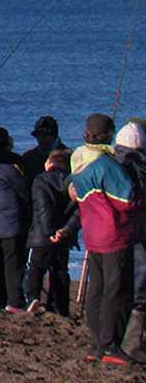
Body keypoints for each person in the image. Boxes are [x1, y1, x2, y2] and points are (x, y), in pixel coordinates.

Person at [70, 113, 140, 366]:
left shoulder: (78, 157)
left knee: (97, 290)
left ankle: (97, 344)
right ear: (108, 135)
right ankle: (110, 345)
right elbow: (128, 200)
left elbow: (72, 189)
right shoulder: (107, 165)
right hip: (113, 235)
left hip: (92, 233)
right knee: (116, 291)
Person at [25, 146, 79, 316]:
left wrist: (50, 232)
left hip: (43, 234)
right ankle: (60, 307)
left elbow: (42, 207)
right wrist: (66, 230)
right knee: (60, 270)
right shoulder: (73, 183)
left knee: (36, 267)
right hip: (63, 234)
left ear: (49, 163)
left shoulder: (41, 180)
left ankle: (33, 298)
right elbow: (79, 210)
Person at [114, 120, 146, 355]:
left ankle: (122, 340)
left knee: (122, 286)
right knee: (139, 289)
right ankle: (131, 343)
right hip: (137, 233)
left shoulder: (112, 167)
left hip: (117, 234)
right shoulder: (140, 170)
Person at [0, 127, 29, 312]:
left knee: (0, 259)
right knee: (13, 261)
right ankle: (13, 301)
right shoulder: (7, 166)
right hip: (10, 219)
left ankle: (1, 298)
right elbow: (23, 189)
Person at [19, 116, 60, 182]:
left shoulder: (67, 157)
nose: (41, 139)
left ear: (54, 135)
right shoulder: (28, 157)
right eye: (38, 135)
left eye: (45, 135)